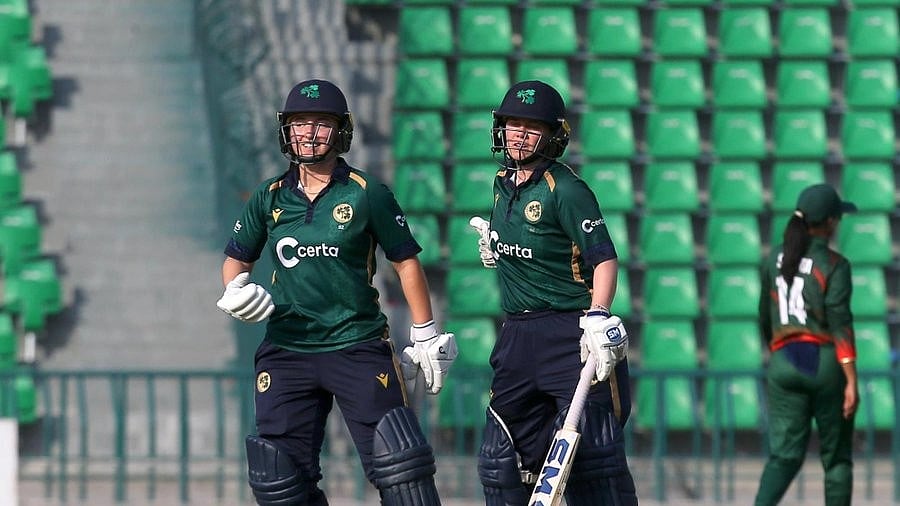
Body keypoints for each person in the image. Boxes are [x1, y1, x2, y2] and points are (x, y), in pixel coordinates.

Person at [215, 78, 457, 506]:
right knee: (279, 480)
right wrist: (234, 291)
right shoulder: (268, 197)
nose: (308, 132)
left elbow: (405, 261)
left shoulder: (367, 193)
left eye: (320, 123)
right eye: (299, 123)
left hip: (356, 344)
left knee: (402, 470)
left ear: (341, 131)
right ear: (285, 130)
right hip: (287, 348)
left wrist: (425, 332)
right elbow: (237, 258)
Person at [469, 80, 638, 506]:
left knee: (595, 464)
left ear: (552, 135)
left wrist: (598, 316)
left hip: (572, 335)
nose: (520, 135)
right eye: (513, 125)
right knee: (500, 464)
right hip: (518, 336)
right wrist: (500, 249)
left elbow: (604, 259)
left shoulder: (566, 189)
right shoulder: (501, 183)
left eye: (532, 128)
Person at [754, 183, 859, 506]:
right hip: (824, 362)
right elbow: (840, 325)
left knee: (784, 456)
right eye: (836, 218)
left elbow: (764, 317)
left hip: (784, 361)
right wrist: (851, 380)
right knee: (836, 459)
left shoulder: (775, 258)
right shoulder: (834, 265)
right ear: (828, 222)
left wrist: (777, 353)